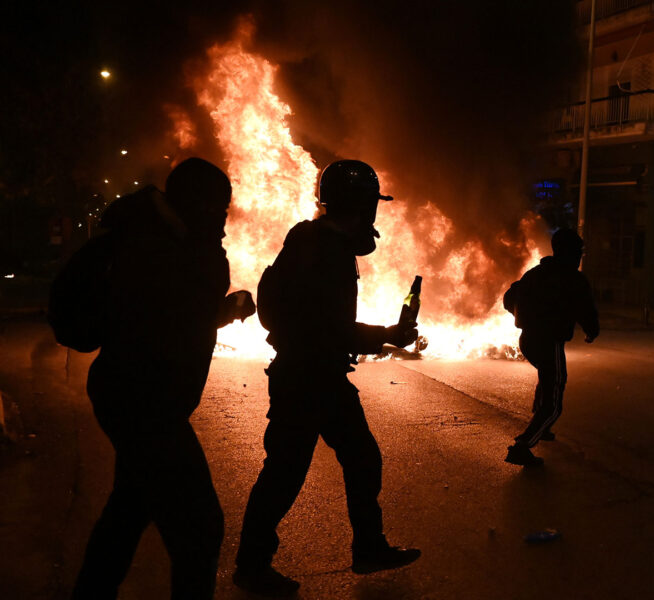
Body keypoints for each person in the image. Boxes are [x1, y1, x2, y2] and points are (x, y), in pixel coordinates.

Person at [233, 160, 420, 597]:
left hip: (321, 376)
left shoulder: (312, 241)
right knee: (285, 473)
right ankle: (251, 566)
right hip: (306, 378)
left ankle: (369, 547)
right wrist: (388, 336)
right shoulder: (327, 251)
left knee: (361, 458)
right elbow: (330, 328)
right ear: (361, 205)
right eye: (371, 205)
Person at [71, 158, 256, 599]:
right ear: (199, 204)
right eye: (219, 211)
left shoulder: (164, 242)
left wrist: (227, 309)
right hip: (146, 404)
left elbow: (179, 317)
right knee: (200, 530)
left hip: (134, 396)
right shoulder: (164, 249)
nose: (224, 222)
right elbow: (170, 318)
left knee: (129, 509)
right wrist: (216, 274)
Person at [502, 228, 599, 467]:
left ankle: (541, 428)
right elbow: (586, 309)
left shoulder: (536, 273)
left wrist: (523, 316)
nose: (579, 257)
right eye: (578, 252)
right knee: (554, 401)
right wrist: (591, 331)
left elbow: (508, 298)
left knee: (547, 378)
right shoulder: (573, 279)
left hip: (528, 340)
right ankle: (522, 447)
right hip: (549, 341)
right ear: (570, 253)